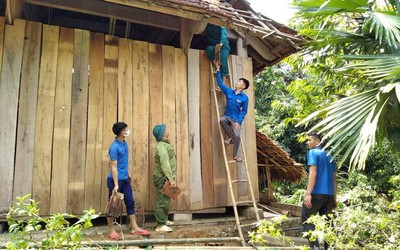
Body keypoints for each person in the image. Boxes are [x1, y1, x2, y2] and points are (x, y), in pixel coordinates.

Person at [107, 122, 150, 240]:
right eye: (125, 129)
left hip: (125, 179)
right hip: (115, 180)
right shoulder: (114, 147)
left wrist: (128, 173)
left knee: (130, 202)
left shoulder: (125, 144)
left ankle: (135, 227)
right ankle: (111, 230)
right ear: (121, 132)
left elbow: (123, 162)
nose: (127, 130)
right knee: (113, 205)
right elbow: (113, 167)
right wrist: (116, 185)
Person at [302, 131, 337, 249]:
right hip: (329, 196)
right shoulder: (329, 155)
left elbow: (313, 173)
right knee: (328, 224)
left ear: (318, 141)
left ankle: (315, 248)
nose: (307, 142)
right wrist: (334, 197)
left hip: (316, 194)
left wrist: (308, 194)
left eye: (309, 140)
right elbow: (334, 179)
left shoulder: (313, 152)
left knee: (307, 219)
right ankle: (330, 248)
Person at [215, 64, 249, 162]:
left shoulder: (245, 98)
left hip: (236, 120)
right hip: (227, 117)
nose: (237, 82)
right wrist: (218, 70)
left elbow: (244, 111)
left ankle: (235, 156)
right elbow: (221, 84)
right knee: (222, 120)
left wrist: (238, 122)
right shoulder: (229, 92)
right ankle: (231, 136)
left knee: (238, 136)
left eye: (239, 81)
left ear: (243, 86)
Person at [152, 124, 177, 232]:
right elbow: (165, 163)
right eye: (165, 130)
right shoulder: (161, 147)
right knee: (162, 201)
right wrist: (170, 179)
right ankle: (160, 225)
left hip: (165, 177)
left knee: (166, 200)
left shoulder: (164, 144)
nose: (168, 130)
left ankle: (164, 220)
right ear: (162, 134)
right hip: (162, 178)